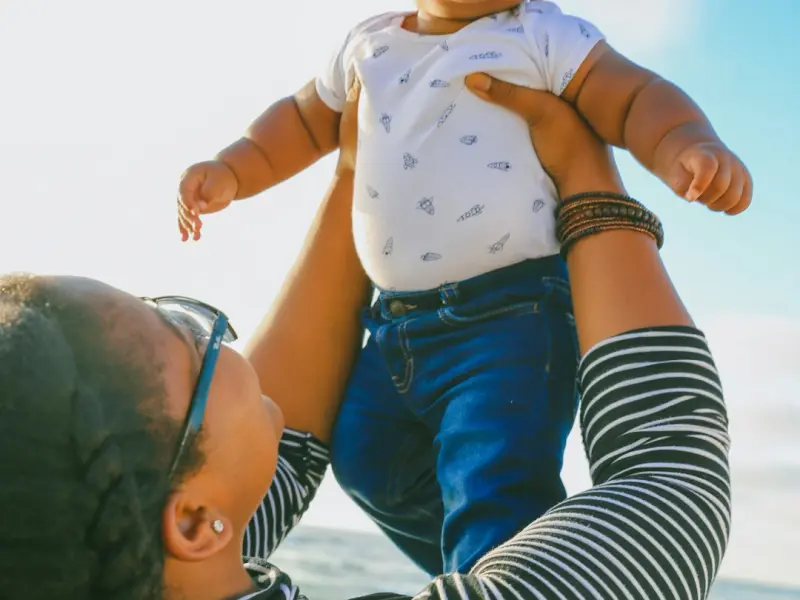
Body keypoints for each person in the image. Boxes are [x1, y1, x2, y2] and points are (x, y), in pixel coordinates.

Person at [0, 75, 731, 600]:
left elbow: (270, 448)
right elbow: (670, 477)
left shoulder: (139, 554)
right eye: (186, 334)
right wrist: (582, 170)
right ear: (194, 522)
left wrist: (372, 159)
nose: (224, 336)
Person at [174, 0, 748, 575]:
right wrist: (233, 169)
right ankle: (488, 567)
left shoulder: (541, 35)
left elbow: (634, 97)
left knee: (493, 476)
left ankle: (499, 558)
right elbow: (299, 121)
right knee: (366, 458)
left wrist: (687, 143)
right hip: (394, 326)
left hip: (511, 319)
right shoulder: (367, 45)